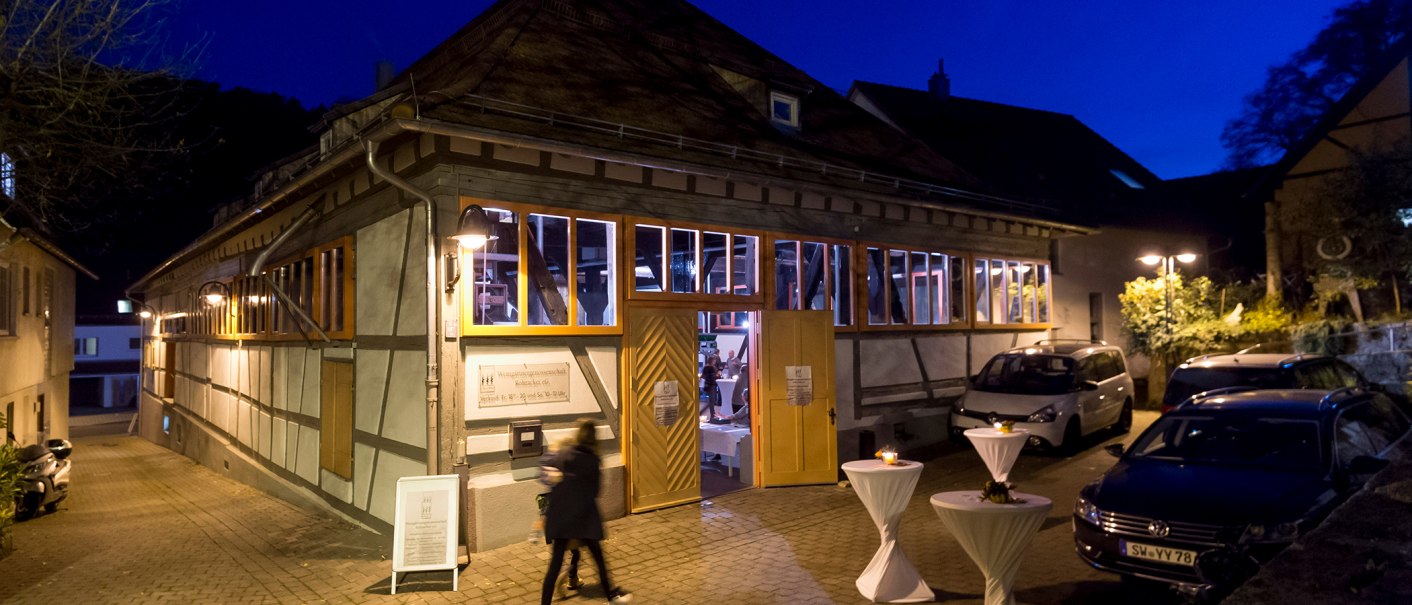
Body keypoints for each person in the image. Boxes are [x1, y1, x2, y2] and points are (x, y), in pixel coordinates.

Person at [540, 419, 632, 605]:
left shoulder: (563, 453)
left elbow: (548, 478)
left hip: (560, 516)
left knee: (555, 564)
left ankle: (544, 603)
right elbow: (596, 491)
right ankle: (611, 596)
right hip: (583, 516)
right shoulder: (593, 459)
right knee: (598, 558)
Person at [535, 438, 584, 599]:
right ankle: (571, 577)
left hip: (552, 519)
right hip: (567, 519)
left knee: (556, 557)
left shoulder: (548, 468)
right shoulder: (567, 470)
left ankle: (549, 595)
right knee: (575, 551)